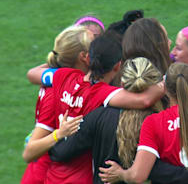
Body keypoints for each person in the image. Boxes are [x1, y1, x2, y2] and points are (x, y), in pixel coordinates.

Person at [49, 57, 188, 184]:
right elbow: (154, 169)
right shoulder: (161, 120)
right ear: (158, 82)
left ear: (123, 83)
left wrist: (61, 133)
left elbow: (60, 152)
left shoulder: (99, 116)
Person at [26, 32, 165, 184]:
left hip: (53, 176)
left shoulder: (63, 76)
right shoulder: (102, 94)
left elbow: (33, 74)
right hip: (81, 178)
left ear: (88, 58)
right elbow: (144, 100)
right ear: (117, 66)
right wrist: (168, 81)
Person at [21, 25, 93, 184]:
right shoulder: (55, 92)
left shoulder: (60, 81)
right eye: (93, 45)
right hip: (44, 175)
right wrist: (58, 134)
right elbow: (29, 152)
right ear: (83, 57)